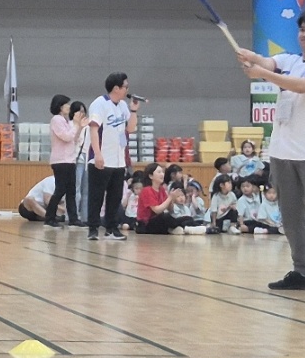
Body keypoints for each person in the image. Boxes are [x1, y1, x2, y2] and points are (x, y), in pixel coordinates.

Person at [238, 9, 305, 293]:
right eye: (302, 29)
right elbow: (266, 61)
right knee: (291, 218)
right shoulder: (288, 60)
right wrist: (251, 57)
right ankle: (301, 273)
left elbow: (302, 86)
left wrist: (260, 73)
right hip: (281, 153)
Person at [84, 73, 137, 241]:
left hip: (118, 160)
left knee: (115, 197)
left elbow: (130, 129)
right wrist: (98, 155)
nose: (127, 89)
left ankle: (111, 228)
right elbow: (93, 130)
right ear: (116, 88)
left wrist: (134, 110)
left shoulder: (123, 106)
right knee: (96, 196)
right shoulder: (99, 104)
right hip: (101, 159)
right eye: (125, 86)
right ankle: (93, 229)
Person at [46, 94, 84, 228]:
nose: (69, 107)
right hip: (60, 160)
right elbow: (67, 137)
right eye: (66, 105)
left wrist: (78, 126)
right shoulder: (56, 120)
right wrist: (75, 126)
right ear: (60, 106)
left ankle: (73, 218)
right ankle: (49, 217)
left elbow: (75, 139)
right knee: (60, 189)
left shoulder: (66, 121)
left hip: (70, 160)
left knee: (71, 191)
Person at [134, 164, 201, 234]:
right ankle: (188, 228)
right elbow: (157, 210)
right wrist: (170, 197)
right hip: (146, 225)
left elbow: (170, 209)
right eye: (159, 172)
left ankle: (181, 228)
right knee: (166, 217)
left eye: (162, 172)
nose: (162, 174)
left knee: (188, 218)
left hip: (159, 221)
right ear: (151, 176)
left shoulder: (161, 189)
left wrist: (172, 199)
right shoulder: (147, 190)